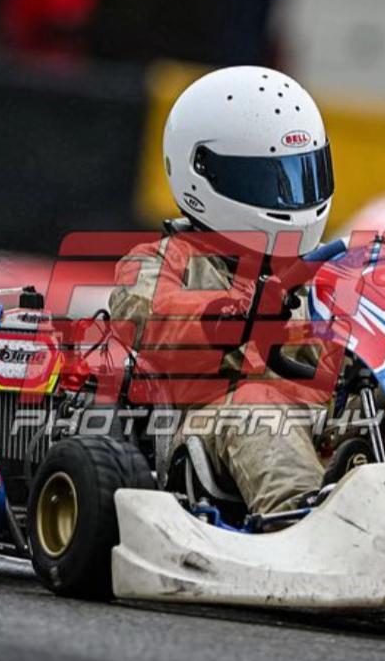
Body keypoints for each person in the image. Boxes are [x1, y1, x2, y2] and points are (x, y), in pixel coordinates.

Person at [109, 66, 335, 515]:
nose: (290, 199)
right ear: (201, 173)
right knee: (258, 407)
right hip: (211, 423)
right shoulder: (160, 263)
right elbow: (151, 319)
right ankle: (298, 524)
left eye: (298, 176)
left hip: (319, 418)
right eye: (265, 182)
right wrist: (232, 315)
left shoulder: (323, 273)